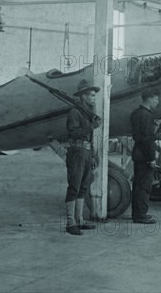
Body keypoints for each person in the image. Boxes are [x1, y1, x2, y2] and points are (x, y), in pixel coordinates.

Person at [64, 79, 102, 236]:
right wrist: (91, 126)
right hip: (77, 151)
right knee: (74, 186)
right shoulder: (75, 112)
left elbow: (89, 138)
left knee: (83, 187)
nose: (94, 98)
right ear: (83, 97)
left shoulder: (87, 114)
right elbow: (73, 134)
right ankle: (70, 222)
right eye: (92, 96)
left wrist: (92, 155)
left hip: (86, 152)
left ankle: (79, 220)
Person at [130, 88, 161, 224]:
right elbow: (148, 139)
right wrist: (151, 159)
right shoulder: (147, 116)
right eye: (156, 99)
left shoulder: (136, 113)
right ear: (149, 98)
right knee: (144, 186)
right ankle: (140, 216)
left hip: (138, 153)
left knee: (138, 185)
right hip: (144, 156)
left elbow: (140, 136)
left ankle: (137, 213)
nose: (158, 102)